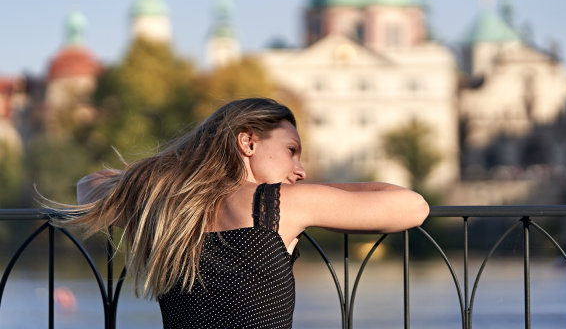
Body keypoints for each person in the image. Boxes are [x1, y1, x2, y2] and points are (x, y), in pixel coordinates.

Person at [68, 98, 429, 328]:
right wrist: (310, 193)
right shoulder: (276, 204)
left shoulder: (167, 202)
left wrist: (174, 175)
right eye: (291, 150)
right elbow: (414, 207)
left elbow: (89, 185)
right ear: (248, 141)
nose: (299, 169)